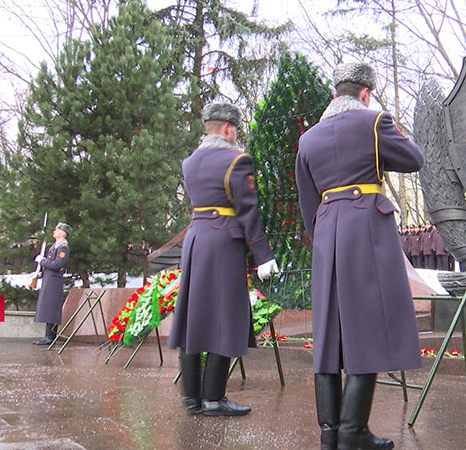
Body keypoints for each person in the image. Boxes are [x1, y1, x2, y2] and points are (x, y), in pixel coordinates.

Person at [296, 62, 424, 450]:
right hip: (366, 227)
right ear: (365, 93)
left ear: (337, 93)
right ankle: (353, 433)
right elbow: (414, 158)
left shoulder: (308, 139)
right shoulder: (374, 122)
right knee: (368, 326)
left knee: (329, 334)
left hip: (326, 230)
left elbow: (306, 200)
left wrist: (322, 237)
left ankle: (330, 433)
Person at [169, 102, 279, 417]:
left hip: (196, 240)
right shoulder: (237, 159)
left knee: (193, 317)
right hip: (224, 242)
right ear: (228, 128)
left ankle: (192, 399)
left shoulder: (190, 162)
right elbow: (247, 210)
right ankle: (214, 398)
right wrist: (263, 255)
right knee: (224, 317)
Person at [32, 222, 72, 345]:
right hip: (49, 279)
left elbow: (57, 264)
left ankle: (50, 336)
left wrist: (42, 261)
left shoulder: (63, 247)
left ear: (63, 233)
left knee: (51, 308)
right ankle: (48, 335)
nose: (54, 231)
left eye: (57, 230)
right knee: (48, 307)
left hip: (54, 280)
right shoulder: (56, 246)